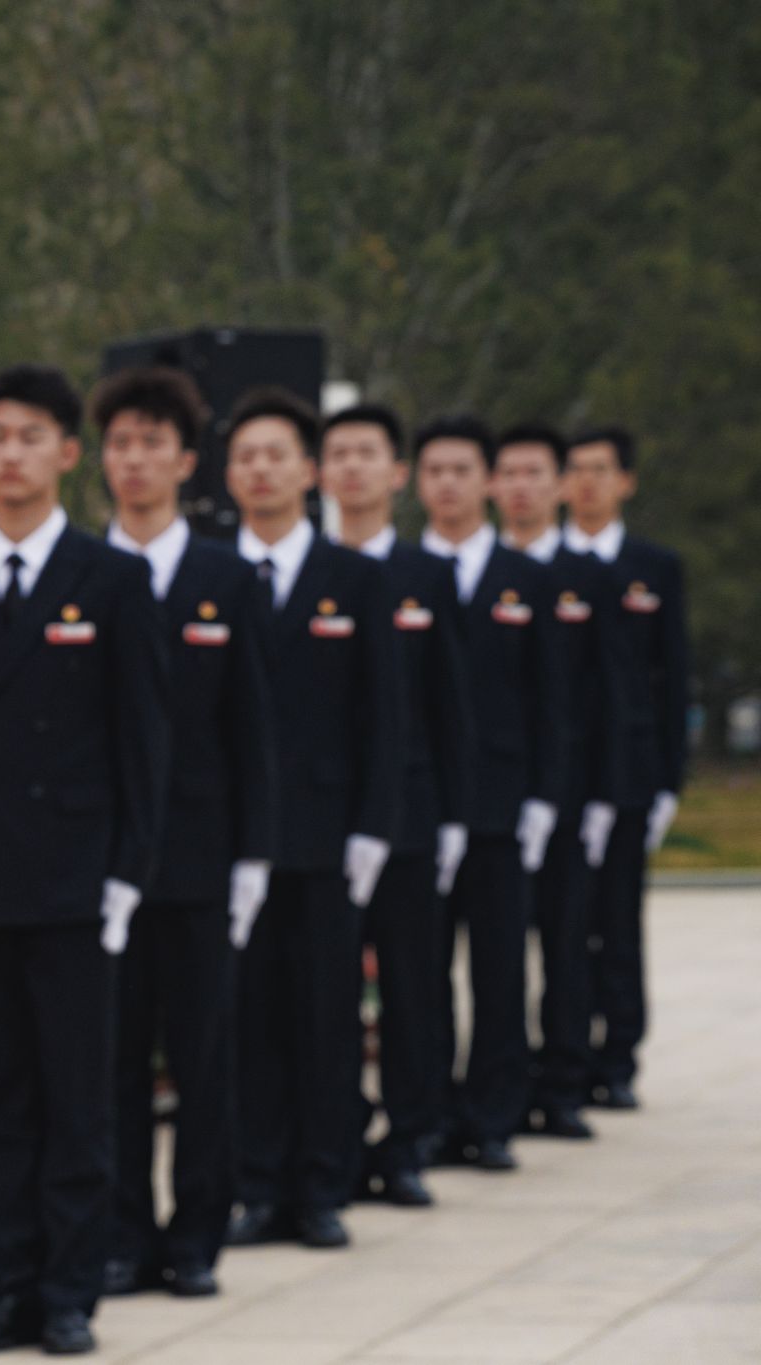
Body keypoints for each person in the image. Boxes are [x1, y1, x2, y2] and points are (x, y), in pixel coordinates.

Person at [0, 363, 172, 1356]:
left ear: (66, 453)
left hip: (74, 880)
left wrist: (125, 875)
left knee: (78, 1097)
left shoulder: (113, 580)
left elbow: (143, 740)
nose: (10, 453)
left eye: (31, 437)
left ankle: (68, 1293)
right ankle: (6, 1289)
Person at [95, 367, 278, 1300]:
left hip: (204, 863)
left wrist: (253, 854)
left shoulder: (227, 579)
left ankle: (199, 1233)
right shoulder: (82, 576)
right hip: (107, 867)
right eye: (120, 444)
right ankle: (124, 1235)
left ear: (185, 461)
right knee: (116, 1062)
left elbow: (254, 727)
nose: (136, 461)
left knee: (205, 1059)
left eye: (152, 444)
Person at [223, 387, 402, 1253]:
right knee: (249, 1018)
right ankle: (260, 1185)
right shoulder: (210, 579)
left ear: (309, 470)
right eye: (247, 456)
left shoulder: (358, 580)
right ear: (228, 475)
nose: (262, 469)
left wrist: (374, 825)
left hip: (330, 838)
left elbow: (384, 714)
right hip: (234, 842)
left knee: (328, 1017)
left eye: (277, 454)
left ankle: (323, 1185)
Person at [321, 404, 475, 1208]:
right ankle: (339, 1135)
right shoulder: (303, 571)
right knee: (328, 992)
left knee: (416, 986)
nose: (351, 467)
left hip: (413, 815)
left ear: (395, 474)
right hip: (323, 819)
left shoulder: (427, 577)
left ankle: (411, 1137)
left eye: (367, 453)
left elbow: (451, 704)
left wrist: (453, 814)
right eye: (337, 453)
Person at [415, 415, 567, 1173]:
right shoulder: (398, 576)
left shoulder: (529, 579)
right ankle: (431, 1112)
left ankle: (494, 1112)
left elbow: (554, 697)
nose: (447, 483)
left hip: (503, 805)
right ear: (417, 482)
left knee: (501, 967)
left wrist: (544, 796)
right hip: (418, 806)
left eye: (461, 470)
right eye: (434, 470)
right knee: (421, 971)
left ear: (488, 482)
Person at [494, 423, 631, 1139]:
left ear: (558, 486)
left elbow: (607, 696)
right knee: (498, 952)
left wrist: (607, 793)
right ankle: (503, 1083)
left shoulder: (590, 579)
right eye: (508, 473)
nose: (521, 486)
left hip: (573, 795)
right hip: (493, 795)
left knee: (568, 940)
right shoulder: (480, 575)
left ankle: (567, 1078)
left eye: (534, 473)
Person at [563, 427, 690, 1111]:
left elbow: (672, 677)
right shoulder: (547, 566)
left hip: (630, 772)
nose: (587, 482)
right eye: (576, 470)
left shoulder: (653, 566)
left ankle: (619, 1056)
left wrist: (669, 778)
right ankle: (566, 1051)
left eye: (600, 470)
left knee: (617, 919)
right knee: (563, 920)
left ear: (625, 482)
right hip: (562, 777)